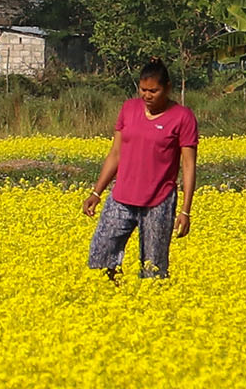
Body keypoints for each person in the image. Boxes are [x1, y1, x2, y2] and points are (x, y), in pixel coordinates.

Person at [82, 59, 198, 280]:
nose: (147, 95)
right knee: (100, 256)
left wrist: (185, 211)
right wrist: (96, 192)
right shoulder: (129, 109)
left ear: (168, 88)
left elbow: (188, 165)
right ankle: (108, 301)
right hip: (121, 196)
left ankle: (150, 306)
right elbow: (115, 154)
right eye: (143, 90)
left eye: (154, 90)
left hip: (159, 200)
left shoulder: (183, 117)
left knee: (153, 268)